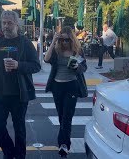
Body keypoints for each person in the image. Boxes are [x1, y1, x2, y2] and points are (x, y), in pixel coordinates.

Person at [0, 10, 41, 159]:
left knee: (19, 128)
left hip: (19, 95)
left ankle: (20, 155)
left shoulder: (25, 43)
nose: (6, 26)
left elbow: (36, 66)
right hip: (0, 95)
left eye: (9, 23)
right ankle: (9, 152)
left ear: (16, 24)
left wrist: (18, 65)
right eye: (4, 23)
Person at [44, 26, 88, 158]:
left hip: (72, 86)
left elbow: (84, 67)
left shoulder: (77, 51)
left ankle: (64, 144)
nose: (64, 42)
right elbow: (46, 59)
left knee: (67, 118)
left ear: (72, 39)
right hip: (57, 87)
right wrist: (53, 42)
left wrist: (77, 67)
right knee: (61, 116)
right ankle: (63, 142)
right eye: (62, 39)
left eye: (67, 40)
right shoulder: (57, 51)